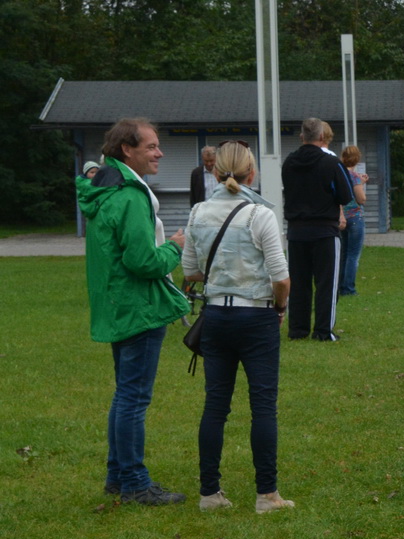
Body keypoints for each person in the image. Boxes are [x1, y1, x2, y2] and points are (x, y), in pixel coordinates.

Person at [78, 117, 188, 505]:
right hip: (138, 307)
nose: (159, 153)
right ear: (128, 150)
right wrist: (175, 246)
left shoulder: (104, 189)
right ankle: (136, 485)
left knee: (124, 394)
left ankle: (118, 476)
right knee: (133, 399)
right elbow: (144, 262)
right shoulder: (130, 195)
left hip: (116, 304)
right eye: (152, 146)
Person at [181, 140, 295, 514]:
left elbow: (190, 270)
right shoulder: (259, 214)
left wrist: (222, 272)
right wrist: (280, 307)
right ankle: (267, 495)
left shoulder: (198, 212)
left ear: (213, 172)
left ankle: (209, 493)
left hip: (215, 316)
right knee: (263, 407)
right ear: (252, 173)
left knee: (215, 405)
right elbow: (281, 277)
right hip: (256, 315)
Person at [280, 118, 352, 342]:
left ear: (302, 137)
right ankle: (323, 331)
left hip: (296, 231)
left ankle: (298, 330)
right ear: (322, 137)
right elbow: (346, 195)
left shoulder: (289, 162)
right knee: (326, 283)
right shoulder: (331, 164)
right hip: (324, 230)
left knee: (299, 283)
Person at [338, 145, 368, 297]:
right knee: (353, 255)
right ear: (357, 159)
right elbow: (360, 198)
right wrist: (362, 186)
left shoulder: (339, 175)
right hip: (355, 217)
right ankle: (349, 288)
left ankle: (340, 285)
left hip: (342, 217)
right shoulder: (355, 176)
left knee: (343, 254)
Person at [189, 145, 218, 209]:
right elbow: (193, 197)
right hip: (202, 211)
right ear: (202, 158)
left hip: (219, 210)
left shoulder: (222, 172)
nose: (209, 164)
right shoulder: (196, 173)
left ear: (216, 158)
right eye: (206, 161)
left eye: (211, 161)